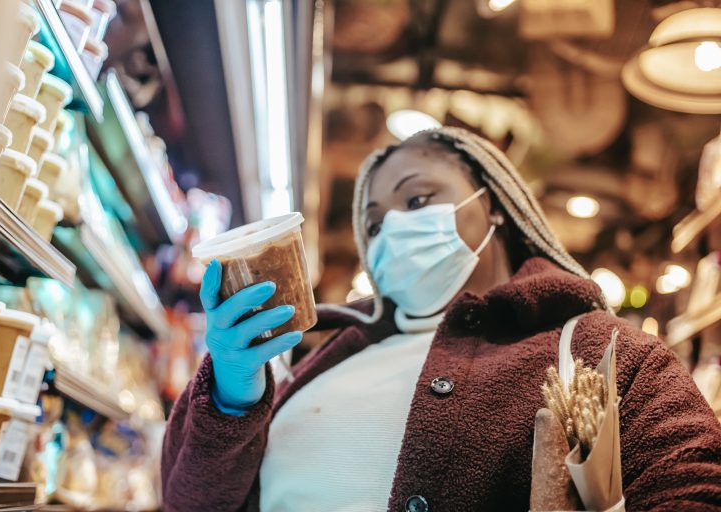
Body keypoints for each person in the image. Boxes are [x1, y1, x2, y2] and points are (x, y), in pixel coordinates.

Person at [161, 127, 721, 512]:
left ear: (493, 200)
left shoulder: (595, 350)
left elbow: (694, 484)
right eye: (374, 226)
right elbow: (187, 501)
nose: (391, 232)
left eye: (417, 199)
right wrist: (232, 398)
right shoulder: (313, 361)